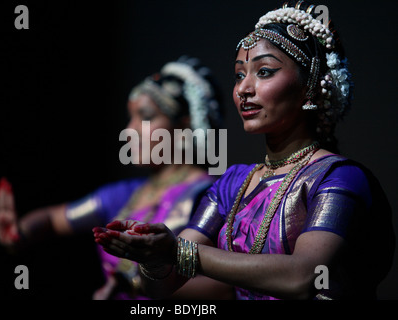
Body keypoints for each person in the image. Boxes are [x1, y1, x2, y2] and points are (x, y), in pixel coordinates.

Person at [93, 1, 395, 300]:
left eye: (264, 72)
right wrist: (153, 257)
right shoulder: (233, 182)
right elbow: (161, 287)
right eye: (239, 74)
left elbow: (307, 276)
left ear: (310, 87)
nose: (243, 88)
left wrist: (177, 251)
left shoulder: (338, 178)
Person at [0, 56, 234, 299]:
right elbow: (51, 219)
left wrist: (135, 284)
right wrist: (18, 233)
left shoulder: (210, 197)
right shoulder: (126, 194)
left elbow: (225, 288)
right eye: (131, 117)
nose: (130, 130)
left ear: (184, 128)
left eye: (146, 117)